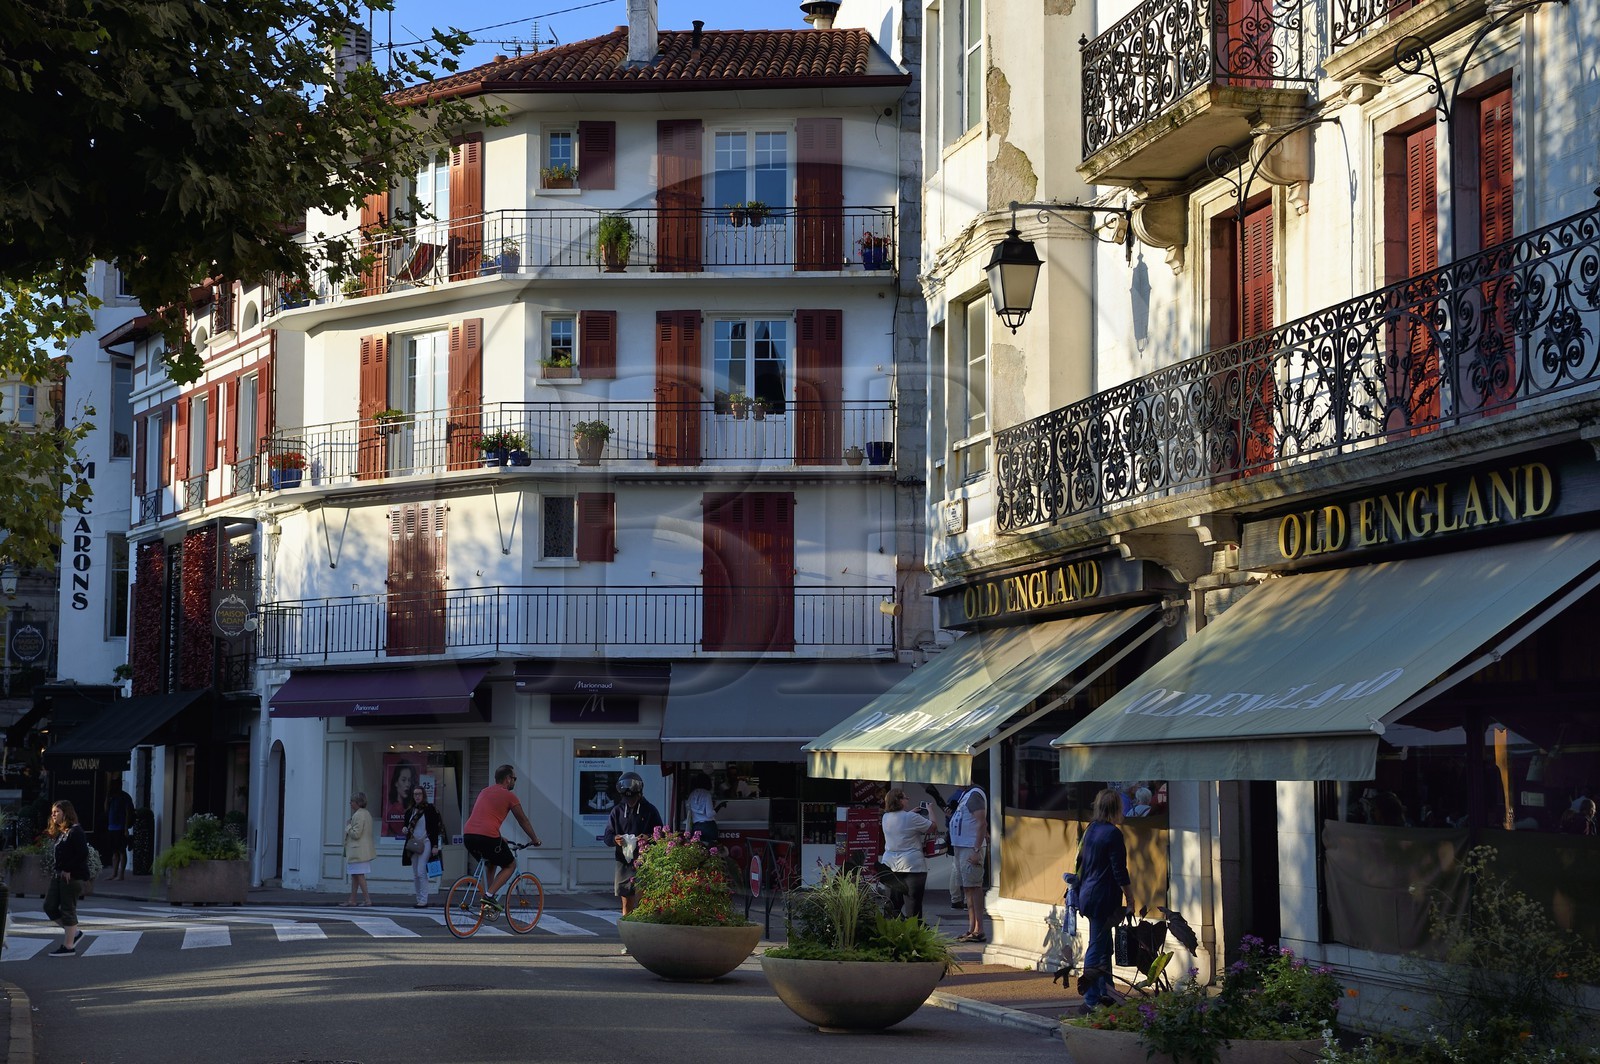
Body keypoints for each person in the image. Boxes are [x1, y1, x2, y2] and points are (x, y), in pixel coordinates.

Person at [1076, 787, 1138, 1013]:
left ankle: (1106, 991)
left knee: (1104, 946)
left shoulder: (1091, 829)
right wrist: (1130, 898)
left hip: (1088, 894)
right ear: (1116, 808)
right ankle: (1092, 997)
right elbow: (1119, 871)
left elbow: (1081, 861)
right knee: (1097, 945)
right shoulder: (1113, 833)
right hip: (1103, 896)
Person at [462, 764, 543, 910]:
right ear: (507, 779)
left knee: (491, 861)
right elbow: (522, 820)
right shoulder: (509, 796)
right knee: (510, 865)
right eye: (514, 779)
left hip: (468, 836)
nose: (514, 782)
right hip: (487, 837)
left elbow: (483, 818)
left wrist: (499, 837)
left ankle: (487, 902)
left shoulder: (484, 792)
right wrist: (534, 839)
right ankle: (489, 896)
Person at [606, 771, 663, 917]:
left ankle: (644, 923)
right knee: (626, 898)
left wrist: (648, 837)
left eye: (633, 799)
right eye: (626, 799)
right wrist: (615, 839)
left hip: (644, 859)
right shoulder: (617, 811)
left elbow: (661, 834)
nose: (629, 802)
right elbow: (607, 836)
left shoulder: (649, 810)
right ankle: (628, 924)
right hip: (624, 860)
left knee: (644, 896)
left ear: (639, 794)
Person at [44, 800, 91, 956]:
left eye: (57, 812)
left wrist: (68, 868)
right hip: (59, 875)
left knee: (68, 909)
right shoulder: (62, 832)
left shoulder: (75, 831)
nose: (53, 815)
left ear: (66, 813)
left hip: (72, 876)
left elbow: (83, 853)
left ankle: (69, 946)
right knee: (49, 906)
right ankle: (74, 933)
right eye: (52, 812)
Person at [880, 788, 935, 920]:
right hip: (913, 866)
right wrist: (930, 810)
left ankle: (892, 932)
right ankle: (913, 934)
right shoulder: (912, 817)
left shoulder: (885, 817)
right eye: (905, 798)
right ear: (899, 800)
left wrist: (909, 814)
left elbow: (900, 823)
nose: (908, 800)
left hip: (890, 865)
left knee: (892, 905)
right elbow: (932, 827)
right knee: (913, 906)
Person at [948, 783, 989, 941]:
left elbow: (981, 822)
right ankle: (972, 928)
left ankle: (979, 929)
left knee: (974, 887)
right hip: (961, 846)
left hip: (970, 847)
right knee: (968, 889)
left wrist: (977, 850)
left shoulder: (974, 794)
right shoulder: (965, 795)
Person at [401, 783, 446, 908]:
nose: (417, 796)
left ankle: (424, 900)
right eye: (415, 794)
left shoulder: (430, 809)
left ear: (423, 795)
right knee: (415, 873)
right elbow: (406, 826)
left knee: (421, 871)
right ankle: (419, 898)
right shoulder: (410, 811)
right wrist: (405, 829)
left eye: (419, 794)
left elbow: (435, 828)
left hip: (426, 842)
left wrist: (435, 845)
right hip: (414, 844)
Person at [342, 792, 375, 906]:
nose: (350, 803)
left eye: (352, 801)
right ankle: (352, 899)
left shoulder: (359, 815)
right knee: (355, 875)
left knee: (359, 875)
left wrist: (348, 826)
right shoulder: (366, 814)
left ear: (357, 802)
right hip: (361, 850)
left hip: (358, 850)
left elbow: (356, 834)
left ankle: (367, 899)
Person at [104, 784, 135, 880]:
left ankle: (121, 874)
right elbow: (106, 810)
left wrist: (126, 829)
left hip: (120, 828)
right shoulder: (111, 798)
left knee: (122, 851)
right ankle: (114, 873)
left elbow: (127, 813)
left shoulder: (124, 797)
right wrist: (107, 797)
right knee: (114, 852)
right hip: (111, 827)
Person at [685, 771, 719, 844]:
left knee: (699, 850)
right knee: (712, 850)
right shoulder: (707, 794)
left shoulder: (692, 795)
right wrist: (719, 807)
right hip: (709, 826)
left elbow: (688, 809)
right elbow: (709, 814)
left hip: (697, 826)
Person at [385, 759, 418, 834]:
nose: (407, 784)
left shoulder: (411, 807)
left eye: (409, 780)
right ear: (396, 782)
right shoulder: (393, 811)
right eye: (403, 780)